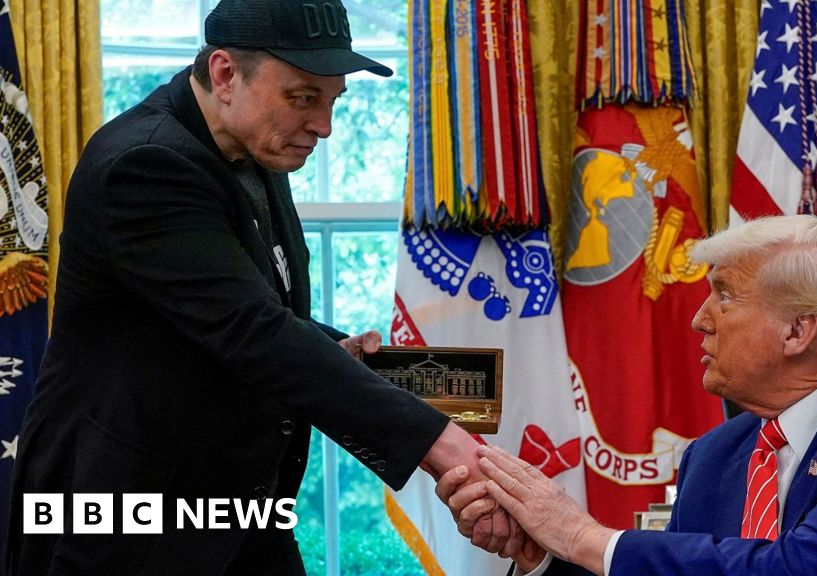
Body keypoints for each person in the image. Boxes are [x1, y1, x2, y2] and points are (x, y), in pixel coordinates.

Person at [1, 1, 509, 574]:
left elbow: (239, 305)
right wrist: (446, 447)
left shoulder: (254, 143)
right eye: (303, 98)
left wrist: (350, 356)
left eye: (333, 100)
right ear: (225, 74)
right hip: (124, 509)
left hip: (237, 501)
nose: (324, 125)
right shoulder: (146, 163)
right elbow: (253, 330)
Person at [441, 214, 817, 575]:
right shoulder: (715, 455)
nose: (699, 319)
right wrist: (544, 553)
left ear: (798, 331)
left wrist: (583, 535)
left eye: (724, 295)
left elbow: (804, 568)